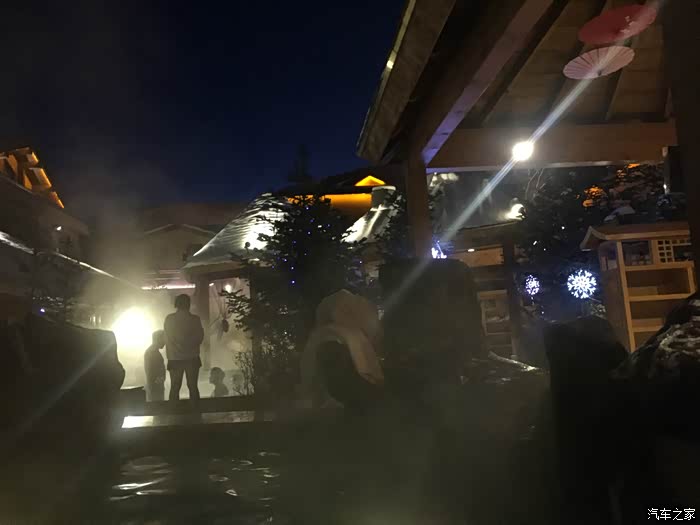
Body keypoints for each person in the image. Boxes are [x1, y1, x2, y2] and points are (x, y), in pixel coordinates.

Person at [164, 294, 204, 401]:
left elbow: (168, 337)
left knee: (175, 387)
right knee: (193, 386)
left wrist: (177, 346)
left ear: (176, 304)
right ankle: (195, 409)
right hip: (192, 357)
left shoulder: (169, 319)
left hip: (174, 358)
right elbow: (200, 337)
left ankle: (173, 409)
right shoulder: (195, 319)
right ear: (188, 304)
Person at [144, 330, 166, 401]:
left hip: (155, 386)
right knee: (157, 405)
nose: (165, 342)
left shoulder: (152, 351)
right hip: (155, 387)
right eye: (164, 339)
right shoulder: (152, 352)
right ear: (158, 339)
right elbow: (150, 372)